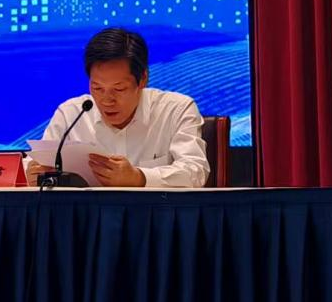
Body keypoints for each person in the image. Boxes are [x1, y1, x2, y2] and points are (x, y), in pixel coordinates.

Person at [26, 27, 209, 188]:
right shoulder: (71, 114)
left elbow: (195, 171)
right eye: (97, 88)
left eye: (119, 89)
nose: (107, 100)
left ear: (143, 79)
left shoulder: (176, 110)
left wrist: (139, 177)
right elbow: (35, 161)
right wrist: (33, 173)